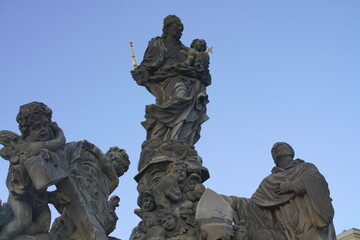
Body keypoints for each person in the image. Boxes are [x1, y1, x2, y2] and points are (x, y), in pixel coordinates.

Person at [226, 142, 336, 240]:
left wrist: (292, 186)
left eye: (282, 146)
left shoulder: (305, 168)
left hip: (309, 222)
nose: (277, 147)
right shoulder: (269, 181)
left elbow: (317, 181)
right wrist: (230, 201)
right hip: (287, 229)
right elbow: (252, 205)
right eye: (275, 149)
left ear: (291, 151)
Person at [131, 15, 210, 146]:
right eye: (177, 26)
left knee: (192, 101)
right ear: (167, 28)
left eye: (181, 28)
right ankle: (159, 128)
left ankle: (178, 138)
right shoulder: (158, 43)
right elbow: (148, 64)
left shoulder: (182, 48)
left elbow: (193, 61)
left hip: (184, 77)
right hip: (167, 79)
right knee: (181, 97)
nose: (179, 30)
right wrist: (142, 72)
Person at [0, 102, 66, 240]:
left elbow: (60, 141)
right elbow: (58, 142)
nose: (43, 130)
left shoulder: (43, 144)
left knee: (44, 224)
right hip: (21, 196)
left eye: (45, 125)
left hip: (40, 198)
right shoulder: (24, 147)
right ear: (27, 131)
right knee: (22, 220)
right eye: (37, 127)